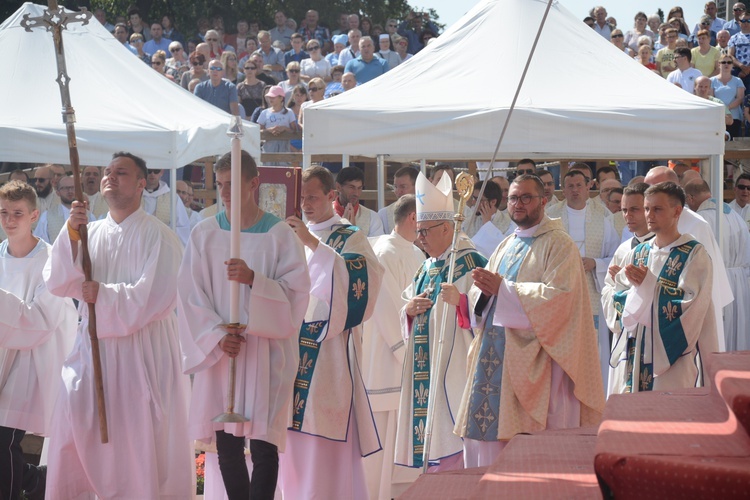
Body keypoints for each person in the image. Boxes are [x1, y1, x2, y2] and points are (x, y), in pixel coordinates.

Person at [42, 152, 192, 498]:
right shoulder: (88, 232)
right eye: (107, 172)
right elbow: (59, 281)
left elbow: (155, 297)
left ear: (142, 184)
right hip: (92, 347)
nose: (110, 177)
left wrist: (103, 295)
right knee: (74, 423)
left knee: (137, 444)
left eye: (121, 173)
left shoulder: (160, 237)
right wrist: (72, 234)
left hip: (142, 354)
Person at [178, 151, 309, 500]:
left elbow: (298, 293)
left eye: (232, 184)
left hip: (265, 351)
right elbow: (190, 295)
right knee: (227, 442)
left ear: (254, 184)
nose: (224, 192)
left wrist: (255, 280)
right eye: (220, 185)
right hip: (224, 352)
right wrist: (217, 337)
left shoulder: (280, 234)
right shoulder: (204, 233)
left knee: (264, 444)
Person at [452, 174, 604, 467]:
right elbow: (483, 297)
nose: (518, 204)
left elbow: (561, 299)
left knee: (529, 455)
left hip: (537, 363)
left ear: (544, 201)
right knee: (486, 442)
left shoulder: (559, 244)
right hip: (493, 358)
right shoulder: (507, 243)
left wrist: (504, 290)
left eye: (525, 198)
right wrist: (480, 294)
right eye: (513, 198)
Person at [280, 166, 383, 499]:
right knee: (289, 441)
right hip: (290, 350)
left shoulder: (350, 236)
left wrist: (312, 244)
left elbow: (361, 286)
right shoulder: (287, 233)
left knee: (323, 440)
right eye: (302, 197)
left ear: (331, 196)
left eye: (313, 196)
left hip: (329, 353)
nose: (306, 204)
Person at [395, 171, 488, 471]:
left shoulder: (472, 263)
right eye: (417, 231)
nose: (419, 238)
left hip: (457, 372)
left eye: (425, 231)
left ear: (447, 228)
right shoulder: (426, 267)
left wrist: (461, 302)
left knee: (454, 451)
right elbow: (407, 306)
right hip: (428, 370)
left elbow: (493, 312)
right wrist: (408, 311)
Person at [602, 182, 718, 394]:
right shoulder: (638, 254)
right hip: (638, 351)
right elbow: (616, 295)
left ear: (676, 211)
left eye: (657, 209)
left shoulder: (693, 255)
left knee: (671, 415)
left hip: (673, 358)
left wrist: (650, 286)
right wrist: (624, 290)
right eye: (647, 208)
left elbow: (693, 306)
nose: (649, 215)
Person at [0, 180, 76, 500]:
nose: (9, 220)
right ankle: (34, 481)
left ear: (34, 216)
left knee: (4, 439)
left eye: (18, 213)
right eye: (3, 212)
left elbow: (40, 320)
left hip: (31, 362)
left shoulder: (50, 262)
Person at [362, 194, 424, 500]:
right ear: (413, 217)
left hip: (407, 363)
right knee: (381, 445)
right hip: (387, 361)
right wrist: (408, 353)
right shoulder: (385, 252)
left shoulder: (416, 253)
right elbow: (386, 311)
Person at [644, 167, 733, 352]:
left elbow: (704, 285)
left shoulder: (696, 225)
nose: (647, 194)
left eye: (653, 187)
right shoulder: (651, 221)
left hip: (688, 316)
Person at [547, 170, 619, 391]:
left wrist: (596, 263)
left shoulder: (603, 217)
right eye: (570, 186)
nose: (575, 190)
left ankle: (592, 392)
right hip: (560, 292)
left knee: (592, 349)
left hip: (591, 293)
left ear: (589, 187)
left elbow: (615, 255)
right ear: (563, 188)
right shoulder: (550, 217)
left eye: (579, 185)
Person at [601, 182, 655, 395]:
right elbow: (607, 291)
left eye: (634, 209)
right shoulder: (623, 250)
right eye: (624, 210)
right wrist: (619, 286)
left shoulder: (660, 247)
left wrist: (636, 284)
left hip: (651, 338)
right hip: (625, 337)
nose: (627, 216)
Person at [684, 179, 750, 352]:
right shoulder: (735, 216)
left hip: (716, 281)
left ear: (690, 198)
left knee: (718, 334)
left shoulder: (699, 221)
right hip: (740, 282)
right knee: (738, 332)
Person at [34, 175, 93, 243]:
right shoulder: (47, 216)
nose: (70, 191)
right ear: (58, 192)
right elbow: (40, 242)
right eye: (65, 188)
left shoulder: (89, 216)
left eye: (73, 188)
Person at [464, 180, 515, 258]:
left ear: (493, 202)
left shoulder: (509, 224)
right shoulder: (468, 222)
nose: (474, 203)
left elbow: (505, 250)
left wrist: (487, 225)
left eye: (478, 199)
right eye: (473, 198)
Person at [334, 166, 385, 236]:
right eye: (351, 187)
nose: (356, 193)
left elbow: (376, 246)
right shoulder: (323, 214)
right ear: (338, 187)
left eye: (359, 188)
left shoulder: (372, 217)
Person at [712, 54, 745, 138]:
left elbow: (740, 98)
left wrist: (726, 108)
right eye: (723, 62)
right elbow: (711, 98)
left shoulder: (738, 80)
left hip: (734, 117)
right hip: (716, 116)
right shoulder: (711, 80)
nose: (726, 64)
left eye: (729, 62)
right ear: (719, 64)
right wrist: (721, 109)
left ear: (732, 65)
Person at [378, 166, 418, 233]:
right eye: (395, 187)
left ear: (416, 186)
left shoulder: (427, 211)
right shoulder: (384, 214)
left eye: (403, 187)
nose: (398, 191)